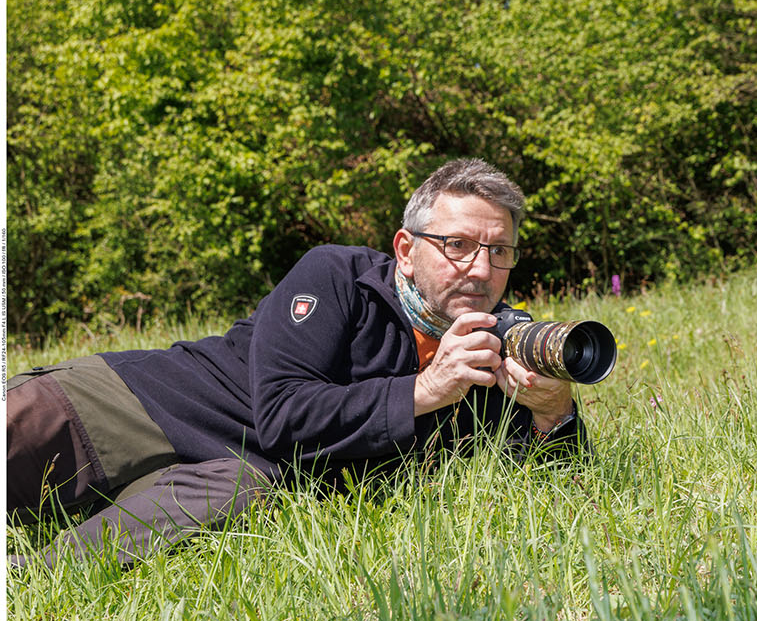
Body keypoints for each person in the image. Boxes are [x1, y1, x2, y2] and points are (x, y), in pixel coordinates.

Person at [6, 158, 587, 568]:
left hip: (240, 473)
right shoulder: (339, 276)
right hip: (144, 401)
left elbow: (556, 495)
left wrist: (553, 412)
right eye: (458, 245)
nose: (481, 270)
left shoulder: (499, 345)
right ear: (407, 251)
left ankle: (29, 578)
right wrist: (427, 388)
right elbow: (283, 413)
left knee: (234, 494)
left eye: (500, 251)